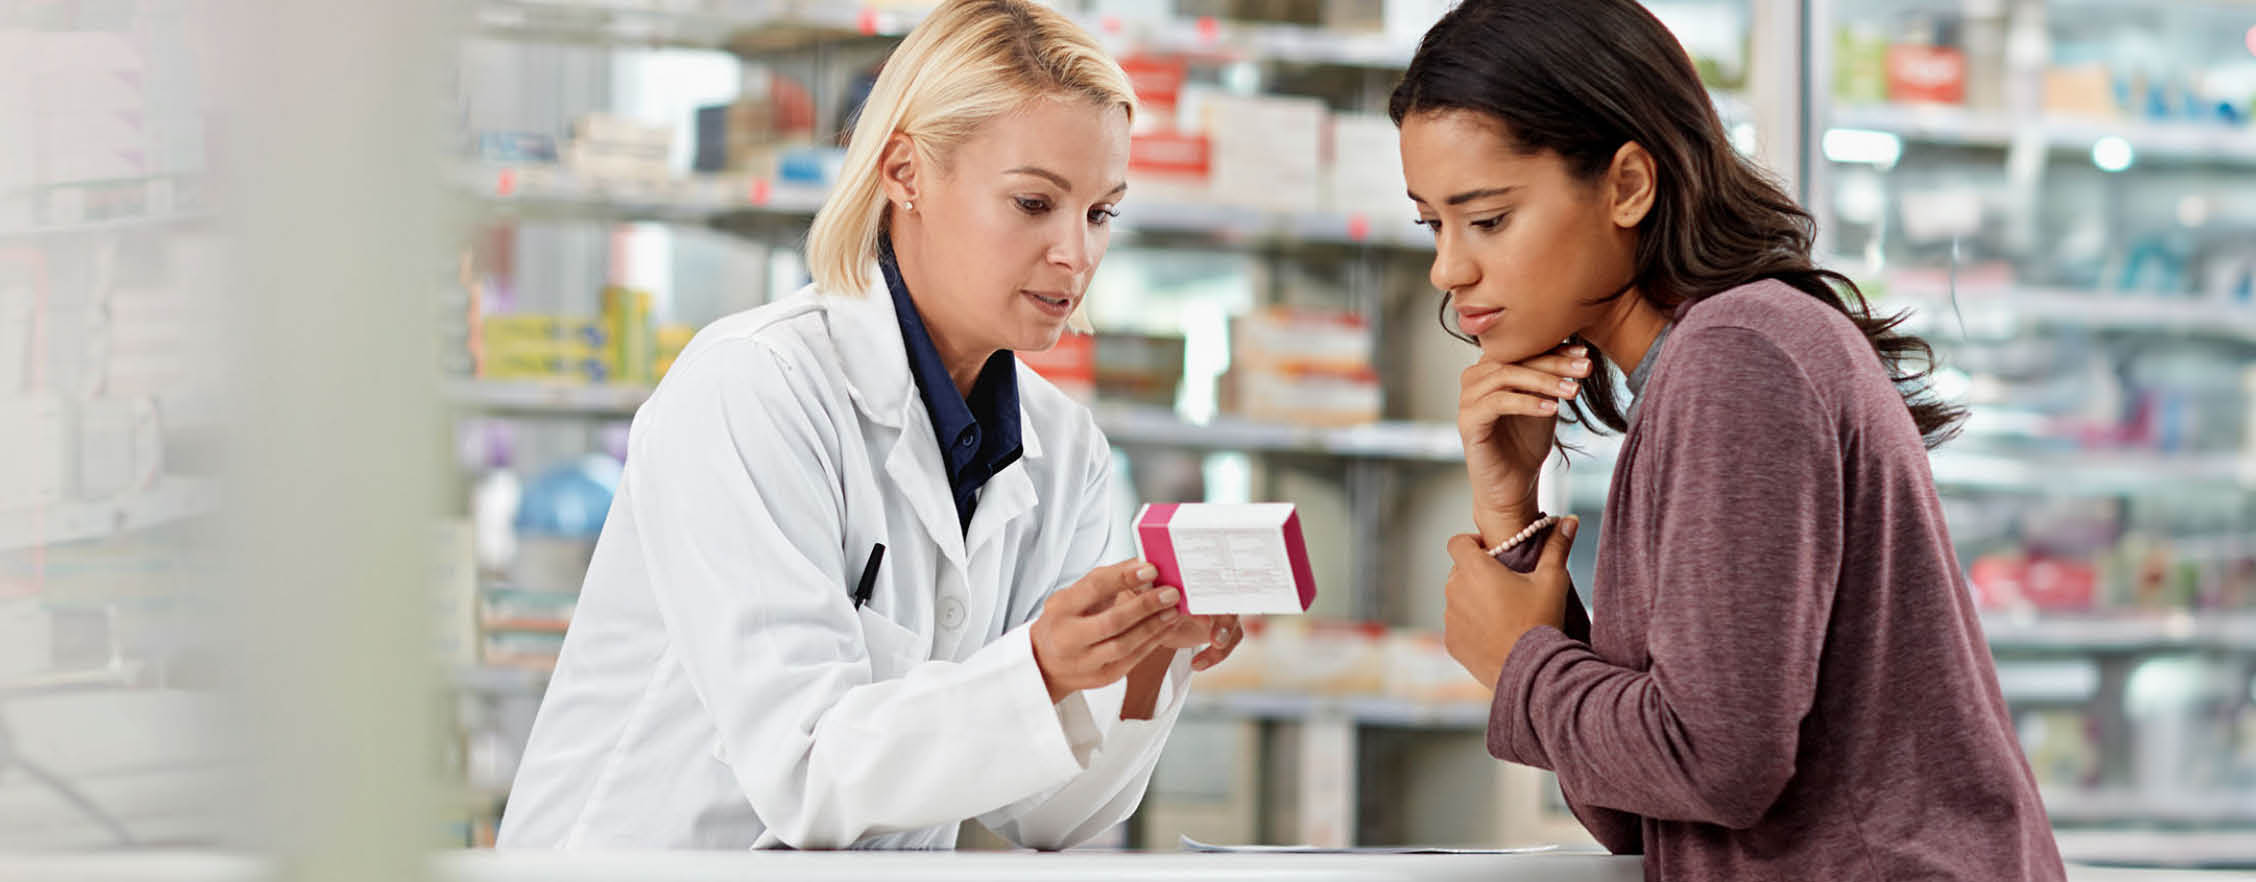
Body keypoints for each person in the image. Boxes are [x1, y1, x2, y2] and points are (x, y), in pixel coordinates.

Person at [497, 0, 1241, 850]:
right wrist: (1039, 666)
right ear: (905, 173)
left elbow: (1044, 815)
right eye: (1035, 203)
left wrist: (1138, 660)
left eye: (1101, 213)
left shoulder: (1066, 453)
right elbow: (805, 768)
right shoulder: (755, 388)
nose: (1076, 254)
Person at [1397, 1, 2069, 878]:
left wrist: (1520, 661)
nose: (1451, 269)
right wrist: (1511, 511)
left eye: (1486, 220)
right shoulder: (1700, 367)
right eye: (1431, 225)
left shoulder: (1738, 353)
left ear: (1629, 185)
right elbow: (1638, 810)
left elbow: (1715, 766)